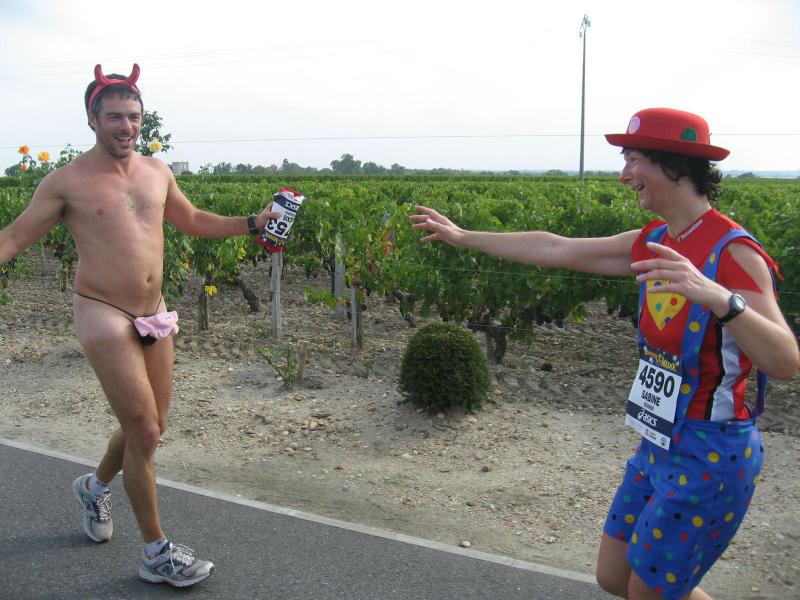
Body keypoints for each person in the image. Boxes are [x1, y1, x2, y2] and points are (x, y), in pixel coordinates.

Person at [410, 107, 799, 600]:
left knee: (648, 593)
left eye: (634, 160)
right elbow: (556, 248)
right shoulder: (654, 241)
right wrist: (464, 237)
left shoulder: (733, 252)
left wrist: (718, 297)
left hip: (712, 450)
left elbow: (784, 361)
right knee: (614, 577)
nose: (624, 176)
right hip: (658, 439)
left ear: (675, 165)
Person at [0, 63, 280, 588]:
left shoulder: (157, 171)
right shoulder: (66, 182)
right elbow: (13, 239)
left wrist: (252, 222)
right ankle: (156, 552)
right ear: (92, 119)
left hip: (154, 311)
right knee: (144, 431)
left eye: (133, 116)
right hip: (102, 311)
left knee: (151, 428)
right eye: (114, 116)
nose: (126, 126)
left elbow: (192, 220)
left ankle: (94, 486)